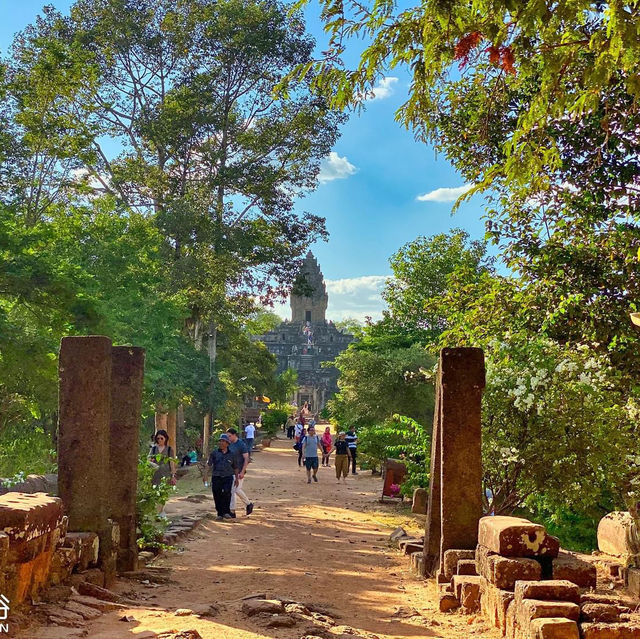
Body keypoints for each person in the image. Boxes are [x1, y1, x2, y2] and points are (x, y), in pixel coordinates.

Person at [207, 434, 239, 520]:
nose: (221, 443)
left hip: (228, 477)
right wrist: (205, 475)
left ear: (227, 443)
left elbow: (235, 467)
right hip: (216, 476)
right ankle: (219, 513)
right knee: (217, 494)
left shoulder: (232, 454)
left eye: (223, 441)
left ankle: (226, 512)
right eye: (220, 441)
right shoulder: (214, 453)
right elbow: (209, 465)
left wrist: (237, 478)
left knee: (227, 493)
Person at [148, 429, 176, 517]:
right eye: (158, 438)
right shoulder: (153, 449)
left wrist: (173, 475)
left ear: (165, 439)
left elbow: (172, 463)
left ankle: (160, 512)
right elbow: (148, 460)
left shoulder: (169, 450)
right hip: (155, 474)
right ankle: (157, 512)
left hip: (166, 474)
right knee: (155, 493)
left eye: (161, 438)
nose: (160, 440)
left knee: (163, 494)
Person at [226, 427, 254, 516]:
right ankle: (247, 504)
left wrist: (243, 471)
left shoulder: (241, 444)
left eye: (230, 436)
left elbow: (246, 458)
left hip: (239, 470)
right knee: (233, 490)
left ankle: (233, 510)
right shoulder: (229, 444)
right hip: (231, 471)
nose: (228, 438)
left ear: (234, 435)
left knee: (235, 490)